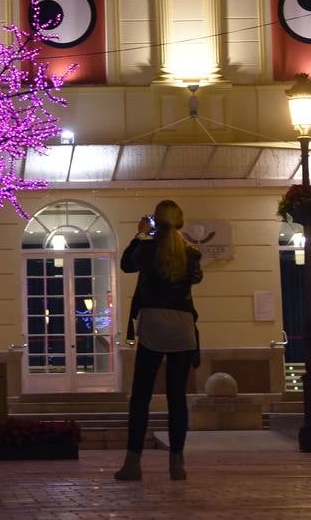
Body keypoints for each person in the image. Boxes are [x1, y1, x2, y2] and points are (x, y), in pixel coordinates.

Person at [115, 199, 203, 482]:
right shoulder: (191, 253)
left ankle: (133, 463)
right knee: (177, 398)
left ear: (155, 220)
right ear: (179, 222)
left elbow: (126, 265)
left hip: (153, 323)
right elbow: (196, 278)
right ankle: (177, 464)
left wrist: (140, 234)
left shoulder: (147, 248)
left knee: (141, 396)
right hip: (183, 326)